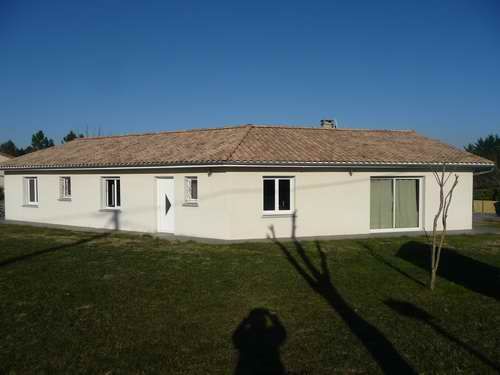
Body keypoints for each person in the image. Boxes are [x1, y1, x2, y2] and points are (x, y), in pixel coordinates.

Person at [233, 308, 287, 375]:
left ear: (250, 322)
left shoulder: (245, 335)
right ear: (264, 321)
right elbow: (282, 333)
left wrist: (244, 321)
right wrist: (274, 319)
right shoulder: (270, 334)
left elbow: (236, 337)